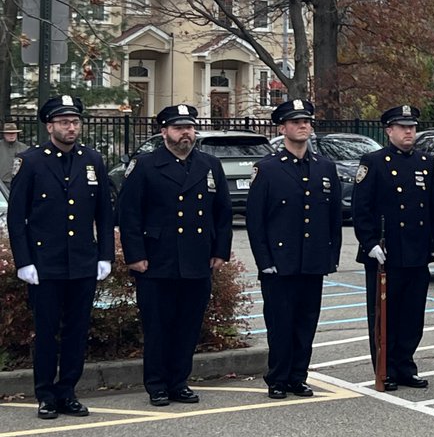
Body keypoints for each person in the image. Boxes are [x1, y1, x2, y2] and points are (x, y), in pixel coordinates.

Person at [7, 95, 114, 420]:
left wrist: (104, 255)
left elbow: (104, 214)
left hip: (82, 261)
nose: (71, 127)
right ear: (50, 125)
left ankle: (68, 391)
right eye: (64, 122)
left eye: (75, 122)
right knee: (47, 329)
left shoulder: (91, 159)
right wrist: (24, 261)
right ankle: (45, 394)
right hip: (45, 264)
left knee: (76, 330)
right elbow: (17, 217)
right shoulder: (32, 161)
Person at [120, 103, 233, 406]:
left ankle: (179, 381)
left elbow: (223, 213)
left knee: (188, 325)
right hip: (158, 259)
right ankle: (157, 384)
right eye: (179, 127)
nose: (186, 133)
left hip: (197, 258)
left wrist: (220, 250)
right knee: (158, 326)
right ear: (164, 131)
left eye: (190, 127)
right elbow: (129, 214)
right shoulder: (146, 164)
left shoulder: (209, 164)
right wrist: (135, 254)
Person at [246, 99, 341, 399]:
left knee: (306, 322)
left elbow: (333, 217)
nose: (303, 126)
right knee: (280, 323)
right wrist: (265, 261)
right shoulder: (268, 169)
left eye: (307, 122)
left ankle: (298, 376)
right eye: (296, 122)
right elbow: (255, 221)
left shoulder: (324, 167)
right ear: (283, 127)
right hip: (280, 262)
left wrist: (331, 257)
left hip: (312, 260)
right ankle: (277, 378)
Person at [352, 104, 434, 389]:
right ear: (389, 130)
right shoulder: (374, 161)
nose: (409, 132)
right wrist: (369, 243)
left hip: (417, 252)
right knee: (385, 316)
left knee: (412, 315)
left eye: (413, 127)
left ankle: (406, 364)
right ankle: (385, 368)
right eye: (403, 127)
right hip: (386, 253)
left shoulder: (424, 162)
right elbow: (361, 208)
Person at [0, 120, 29, 186]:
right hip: (2, 184)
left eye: (14, 133)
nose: (11, 135)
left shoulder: (23, 147)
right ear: (4, 134)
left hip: (19, 182)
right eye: (9, 133)